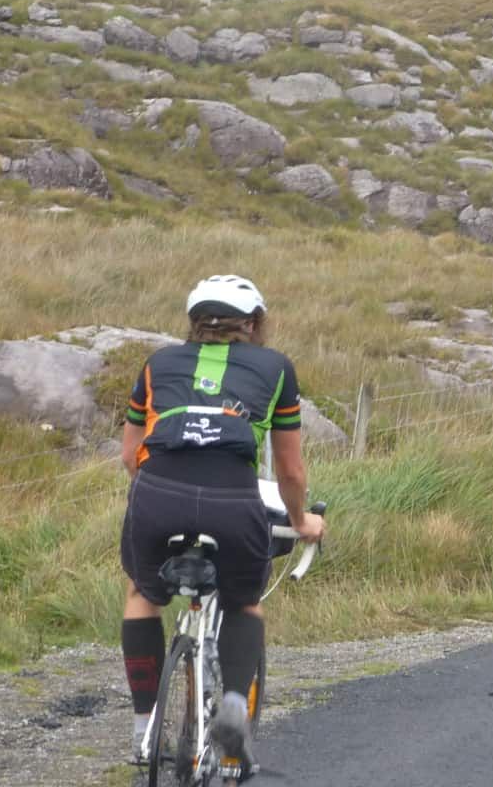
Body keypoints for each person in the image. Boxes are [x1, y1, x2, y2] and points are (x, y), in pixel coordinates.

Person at [118, 275, 323, 777]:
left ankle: (145, 724)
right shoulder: (276, 369)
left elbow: (130, 456)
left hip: (158, 495)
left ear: (193, 323)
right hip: (234, 503)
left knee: (143, 594)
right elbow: (291, 472)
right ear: (252, 324)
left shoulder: (157, 363)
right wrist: (302, 522)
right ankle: (233, 701)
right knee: (242, 600)